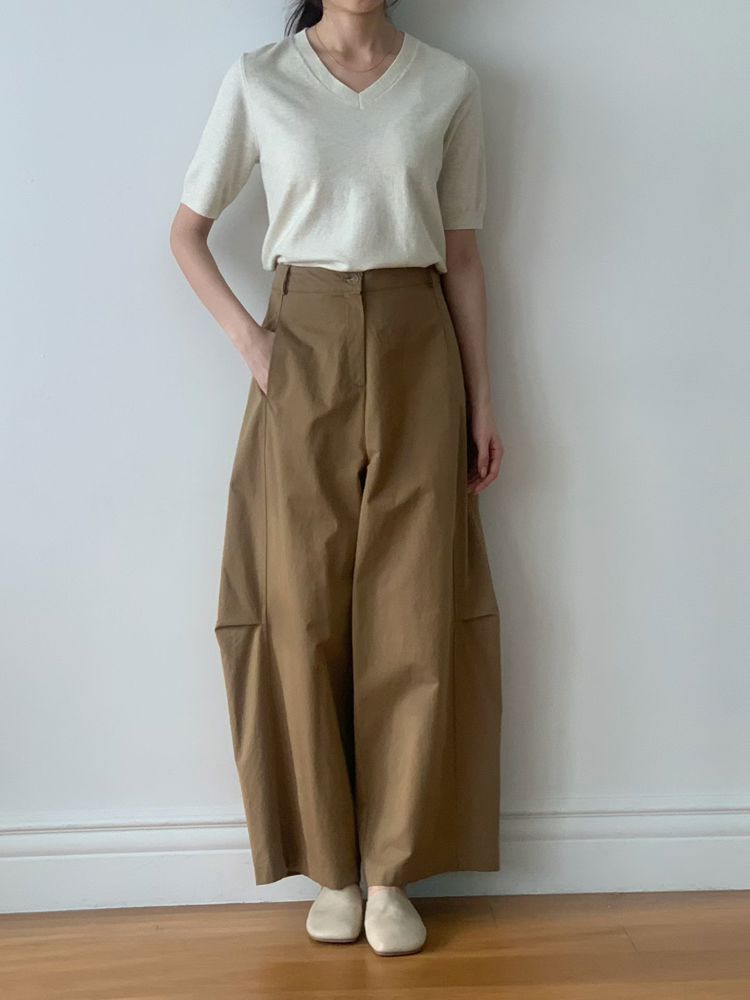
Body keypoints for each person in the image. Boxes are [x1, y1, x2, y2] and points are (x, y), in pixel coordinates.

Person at [170, 0, 503, 957]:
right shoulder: (260, 79)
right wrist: (255, 344)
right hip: (301, 337)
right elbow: (187, 232)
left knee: (412, 606)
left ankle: (390, 870)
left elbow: (464, 255)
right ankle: (331, 868)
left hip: (417, 338)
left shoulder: (449, 83)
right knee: (299, 603)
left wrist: (483, 398)